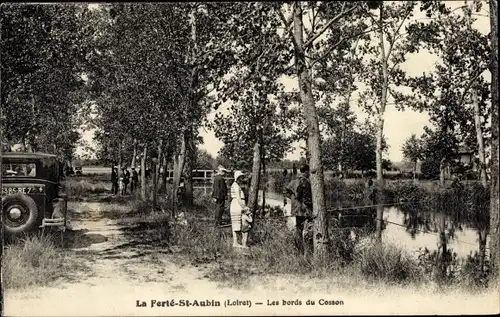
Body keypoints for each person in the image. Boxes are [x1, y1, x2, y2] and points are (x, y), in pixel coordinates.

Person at [284, 164, 313, 258]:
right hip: (304, 210)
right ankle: (306, 251)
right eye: (308, 172)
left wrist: (293, 199)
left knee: (299, 230)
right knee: (307, 230)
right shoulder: (305, 182)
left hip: (297, 209)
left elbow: (286, 192)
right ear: (306, 171)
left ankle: (299, 251)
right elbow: (307, 198)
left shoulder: (293, 181)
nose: (309, 174)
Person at [230, 171, 249, 248]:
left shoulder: (237, 185)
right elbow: (238, 198)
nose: (241, 179)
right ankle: (235, 242)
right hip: (236, 205)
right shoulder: (235, 186)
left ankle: (236, 242)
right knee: (236, 224)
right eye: (240, 177)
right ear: (236, 178)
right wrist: (244, 207)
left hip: (237, 205)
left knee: (237, 224)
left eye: (242, 177)